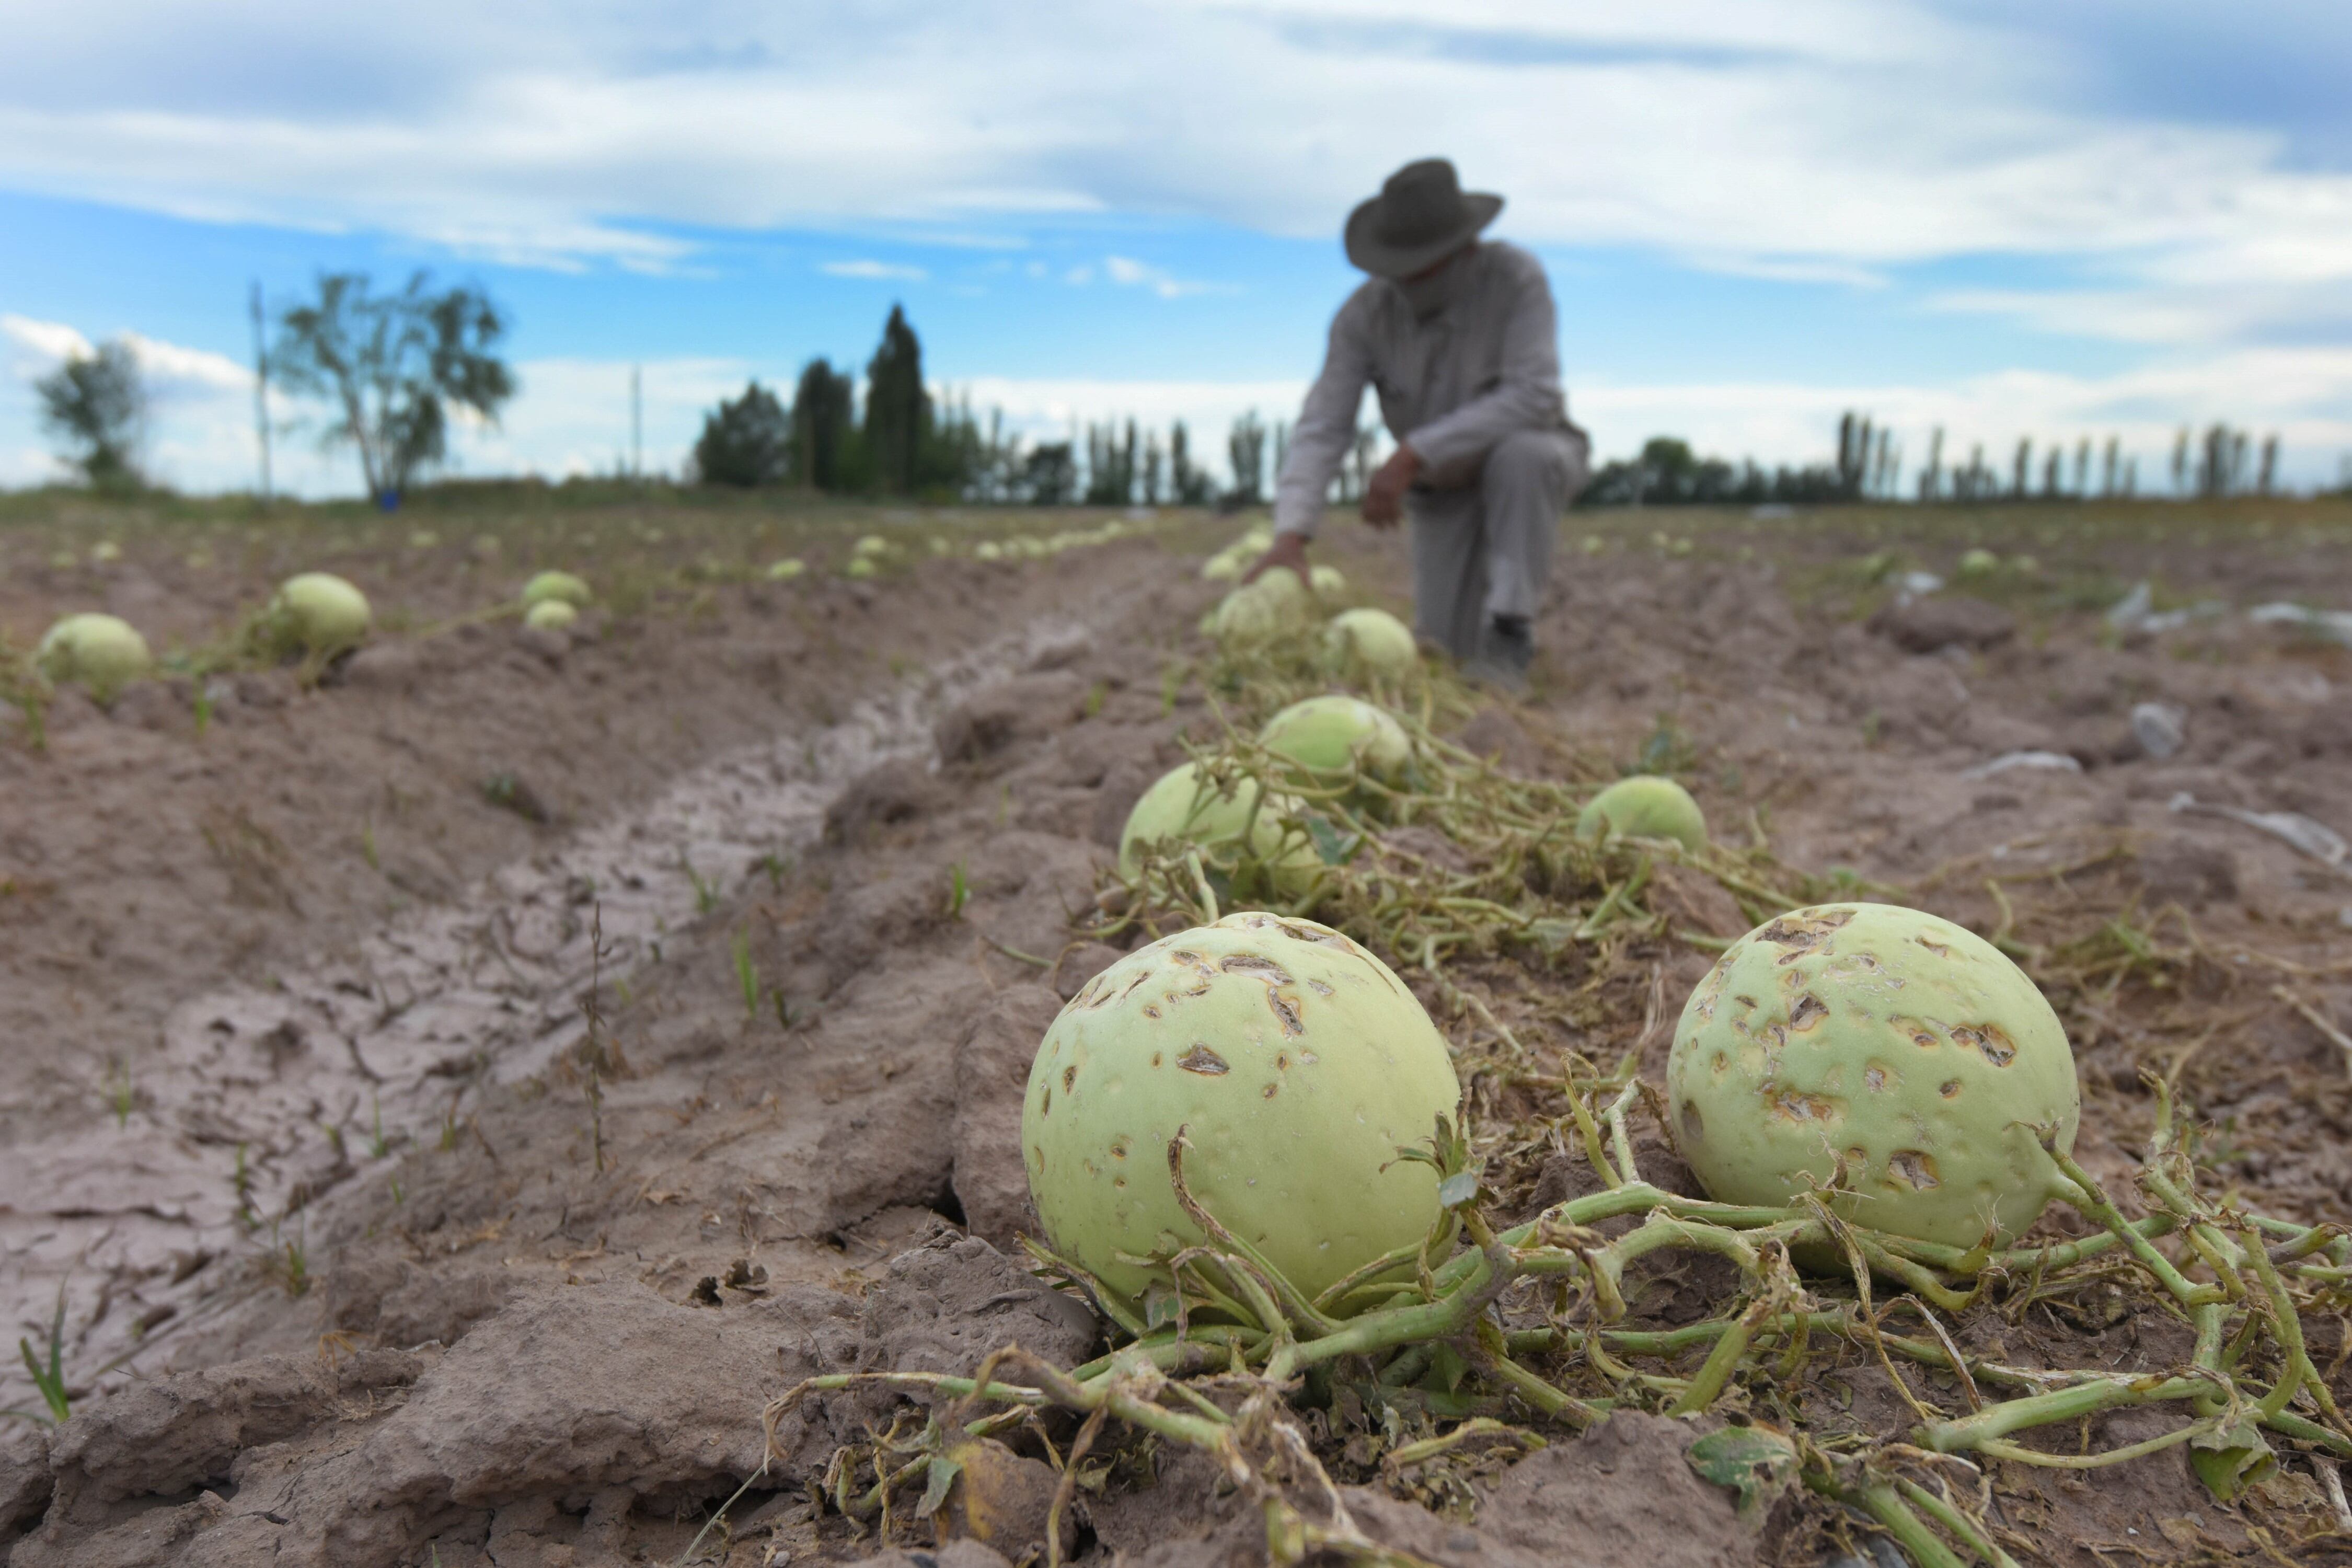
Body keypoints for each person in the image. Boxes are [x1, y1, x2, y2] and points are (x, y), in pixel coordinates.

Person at [1244, 158, 1589, 689]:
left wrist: (1413, 453)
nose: (1405, 281)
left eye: (1421, 267)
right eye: (1396, 268)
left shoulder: (1516, 280)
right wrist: (1292, 532)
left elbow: (1535, 394)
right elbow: (1324, 423)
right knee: (1444, 652)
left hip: (1521, 461)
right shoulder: (1365, 315)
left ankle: (1511, 628)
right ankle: (1478, 636)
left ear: (1463, 251)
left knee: (1526, 456)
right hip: (1441, 491)